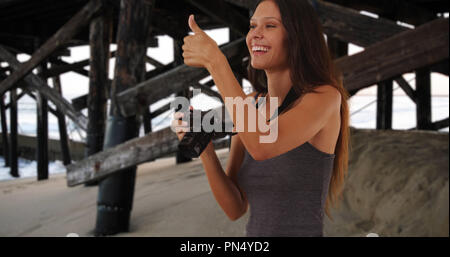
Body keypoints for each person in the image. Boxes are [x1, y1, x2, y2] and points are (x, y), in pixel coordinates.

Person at [171, 0, 350, 236]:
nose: (255, 34)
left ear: (297, 36)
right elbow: (236, 208)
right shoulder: (250, 105)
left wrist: (216, 62)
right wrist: (206, 153)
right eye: (253, 25)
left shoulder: (325, 97)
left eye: (270, 26)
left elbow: (263, 145)